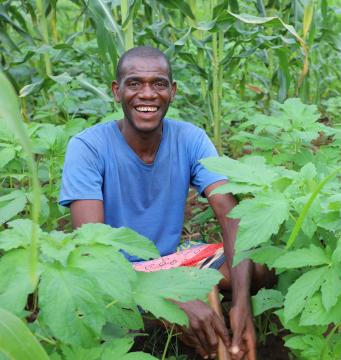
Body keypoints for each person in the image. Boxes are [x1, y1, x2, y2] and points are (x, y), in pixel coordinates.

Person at [59, 46, 273, 360]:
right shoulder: (88, 148)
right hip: (115, 274)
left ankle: (227, 328)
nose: (147, 94)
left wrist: (243, 304)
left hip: (169, 262)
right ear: (117, 92)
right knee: (99, 302)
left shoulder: (190, 139)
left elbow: (231, 217)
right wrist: (166, 296)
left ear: (172, 92)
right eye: (134, 84)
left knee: (260, 269)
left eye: (158, 84)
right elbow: (93, 253)